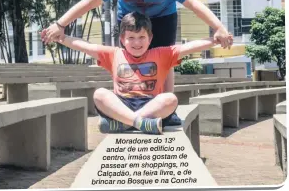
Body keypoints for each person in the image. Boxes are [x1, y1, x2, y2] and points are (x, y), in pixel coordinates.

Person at [41, 0, 233, 125]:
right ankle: (125, 104)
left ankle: (166, 113)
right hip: (129, 16)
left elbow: (195, 4)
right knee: (126, 60)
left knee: (165, 58)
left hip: (163, 16)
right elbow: (89, 1)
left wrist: (219, 28)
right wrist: (60, 24)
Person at [41, 12, 223, 135]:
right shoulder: (113, 54)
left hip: (151, 105)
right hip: (122, 103)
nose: (137, 43)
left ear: (150, 38)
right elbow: (84, 46)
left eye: (142, 37)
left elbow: (188, 47)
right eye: (131, 38)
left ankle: (124, 123)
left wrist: (215, 40)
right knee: (99, 94)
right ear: (122, 39)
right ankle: (139, 123)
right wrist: (61, 38)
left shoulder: (161, 53)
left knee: (170, 99)